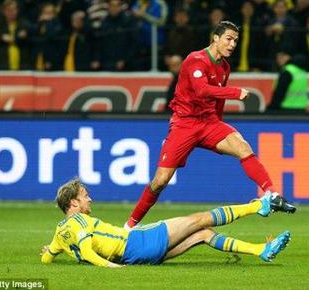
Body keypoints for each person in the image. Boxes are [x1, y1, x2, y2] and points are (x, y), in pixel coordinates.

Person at [125, 21, 296, 229]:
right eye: (229, 39)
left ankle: (271, 194)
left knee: (242, 146)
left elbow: (218, 102)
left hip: (209, 123)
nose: (233, 44)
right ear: (215, 37)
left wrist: (219, 126)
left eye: (235, 40)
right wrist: (235, 92)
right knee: (160, 180)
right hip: (185, 124)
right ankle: (129, 226)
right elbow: (201, 90)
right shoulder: (195, 59)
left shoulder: (224, 67)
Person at [40, 178, 292, 267]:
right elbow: (86, 250)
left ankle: (261, 250)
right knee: (199, 219)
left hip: (135, 256)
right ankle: (259, 206)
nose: (89, 199)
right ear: (73, 204)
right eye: (84, 197)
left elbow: (46, 258)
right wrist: (109, 268)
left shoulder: (61, 232)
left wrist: (51, 252)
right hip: (137, 242)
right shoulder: (80, 221)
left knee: (202, 234)